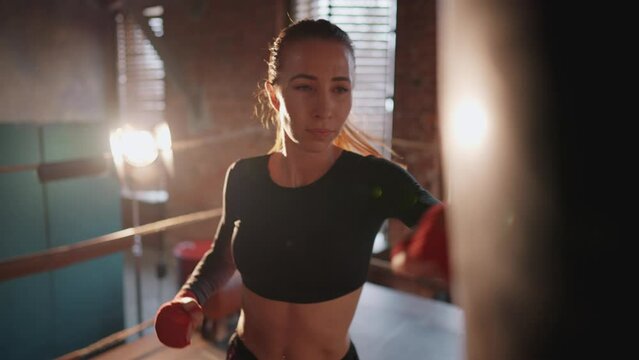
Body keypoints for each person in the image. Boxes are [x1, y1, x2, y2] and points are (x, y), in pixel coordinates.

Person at [154, 19, 440, 360]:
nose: (324, 109)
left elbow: (445, 223)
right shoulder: (245, 178)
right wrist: (190, 296)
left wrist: (434, 245)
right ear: (275, 96)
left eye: (340, 89)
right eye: (305, 87)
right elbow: (222, 255)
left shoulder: (375, 181)